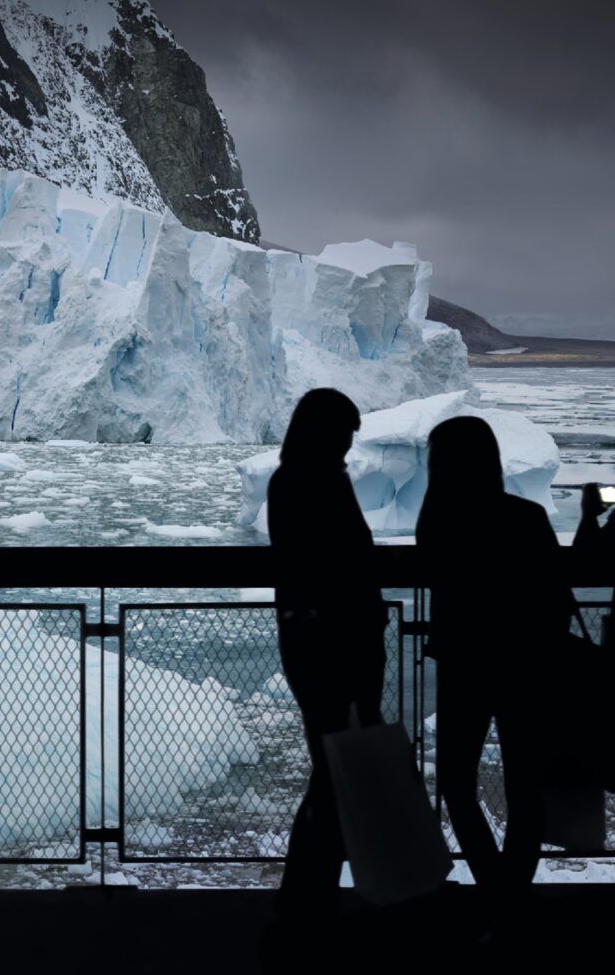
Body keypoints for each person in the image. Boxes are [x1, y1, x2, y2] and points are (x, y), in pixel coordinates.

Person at [416, 416, 572, 904]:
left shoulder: (437, 521)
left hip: (464, 665)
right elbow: (556, 595)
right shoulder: (527, 518)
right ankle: (513, 896)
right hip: (526, 667)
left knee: (456, 784)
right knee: (525, 785)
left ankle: (493, 886)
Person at [266, 388, 388, 917]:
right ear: (324, 431)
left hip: (317, 642)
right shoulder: (313, 482)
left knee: (333, 766)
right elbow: (341, 561)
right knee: (338, 768)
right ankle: (311, 892)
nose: (347, 445)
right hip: (337, 646)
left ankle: (310, 891)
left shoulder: (293, 480)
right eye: (343, 433)